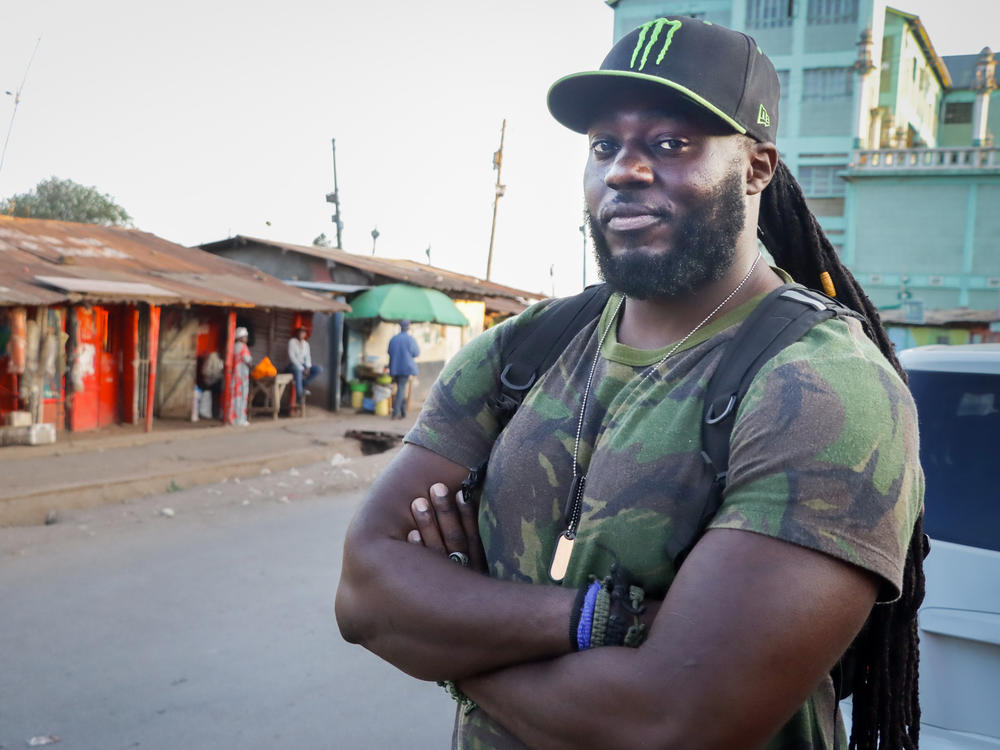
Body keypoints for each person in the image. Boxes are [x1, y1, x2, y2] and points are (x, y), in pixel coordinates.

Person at [336, 17, 925, 750]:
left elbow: (672, 723)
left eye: (671, 143)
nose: (623, 169)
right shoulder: (522, 347)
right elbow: (364, 593)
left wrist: (444, 634)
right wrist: (590, 622)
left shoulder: (822, 386)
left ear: (757, 167)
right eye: (604, 145)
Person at [386, 319, 419, 420]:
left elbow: (389, 352)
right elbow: (416, 353)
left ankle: (403, 412)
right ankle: (396, 412)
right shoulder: (410, 339)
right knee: (401, 389)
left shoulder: (393, 339)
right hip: (405, 369)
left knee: (401, 389)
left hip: (395, 368)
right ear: (408, 327)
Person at [286, 326, 321, 400]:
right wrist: (302, 368)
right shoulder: (292, 341)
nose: (302, 334)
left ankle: (303, 383)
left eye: (304, 332)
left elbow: (308, 357)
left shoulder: (306, 344)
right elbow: (292, 357)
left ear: (305, 334)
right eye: (301, 332)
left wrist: (308, 367)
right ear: (297, 333)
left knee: (318, 369)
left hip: (303, 365)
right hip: (293, 365)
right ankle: (299, 394)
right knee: (298, 370)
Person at [227, 327, 252, 426]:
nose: (246, 338)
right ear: (241, 337)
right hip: (242, 377)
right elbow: (248, 360)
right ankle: (240, 420)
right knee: (242, 398)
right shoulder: (243, 347)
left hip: (234, 376)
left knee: (234, 397)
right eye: (245, 336)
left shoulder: (233, 346)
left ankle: (232, 419)